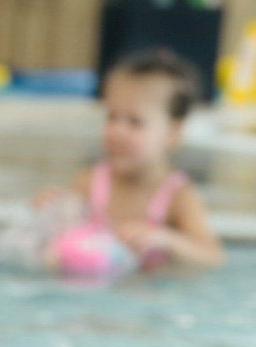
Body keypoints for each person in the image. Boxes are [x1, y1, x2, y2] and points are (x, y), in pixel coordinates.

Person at [52, 48, 222, 270]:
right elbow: (62, 240)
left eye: (135, 122)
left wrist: (166, 239)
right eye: (112, 117)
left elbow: (212, 256)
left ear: (173, 133)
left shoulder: (178, 197)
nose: (117, 131)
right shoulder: (90, 182)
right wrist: (53, 211)